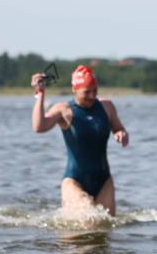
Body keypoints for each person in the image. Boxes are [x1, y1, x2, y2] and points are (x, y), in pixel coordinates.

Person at [31, 65, 129, 215]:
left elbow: (120, 129)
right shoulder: (64, 110)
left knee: (106, 227)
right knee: (87, 218)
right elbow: (39, 127)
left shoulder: (106, 107)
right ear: (74, 89)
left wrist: (120, 134)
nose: (91, 96)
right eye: (86, 92)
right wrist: (40, 94)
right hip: (74, 180)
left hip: (104, 181)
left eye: (94, 90)